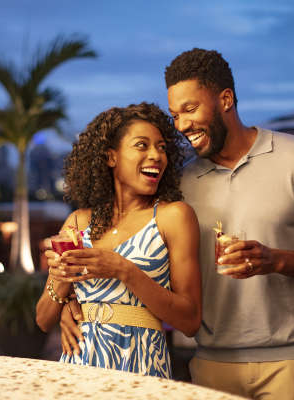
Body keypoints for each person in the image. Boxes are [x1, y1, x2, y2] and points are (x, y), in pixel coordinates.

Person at [60, 50, 294, 399]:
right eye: (175, 115)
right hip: (208, 365)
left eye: (190, 109)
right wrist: (73, 303)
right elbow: (132, 247)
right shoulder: (178, 186)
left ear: (226, 99)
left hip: (292, 362)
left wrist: (275, 260)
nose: (181, 125)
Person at [35, 102, 202, 379]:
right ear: (111, 157)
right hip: (78, 367)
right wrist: (63, 282)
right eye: (142, 145)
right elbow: (42, 320)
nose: (156, 156)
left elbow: (190, 320)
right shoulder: (78, 222)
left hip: (140, 367)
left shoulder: (173, 217)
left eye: (161, 147)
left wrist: (123, 269)